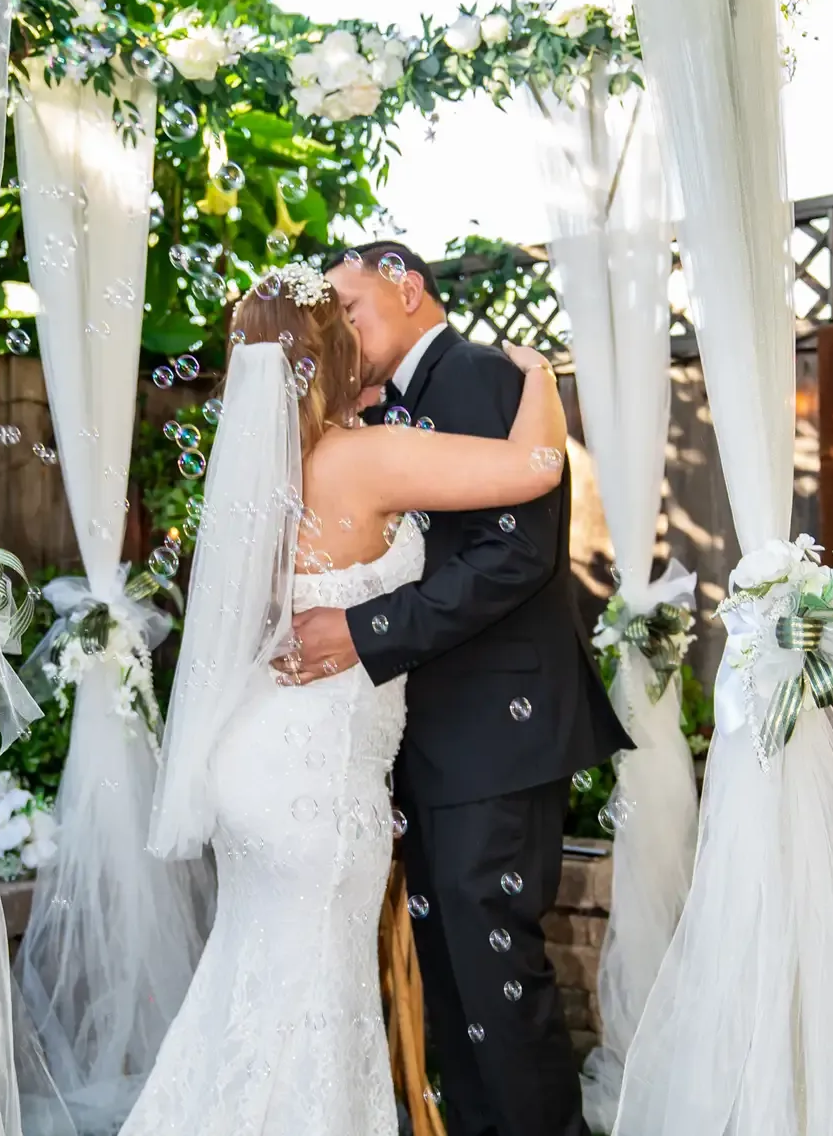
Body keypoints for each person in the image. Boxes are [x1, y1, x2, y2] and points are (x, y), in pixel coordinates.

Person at [121, 260, 572, 1136]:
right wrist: (543, 375)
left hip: (255, 760)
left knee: (250, 992)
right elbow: (539, 463)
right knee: (314, 1011)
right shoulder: (360, 458)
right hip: (317, 783)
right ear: (332, 359)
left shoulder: (270, 468)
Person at [288, 242, 630, 1136]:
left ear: (407, 289)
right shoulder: (377, 411)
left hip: (495, 736)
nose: (342, 331)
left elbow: (517, 550)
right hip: (438, 739)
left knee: (497, 982)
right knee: (456, 983)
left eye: (350, 308)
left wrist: (366, 632)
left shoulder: (478, 378)